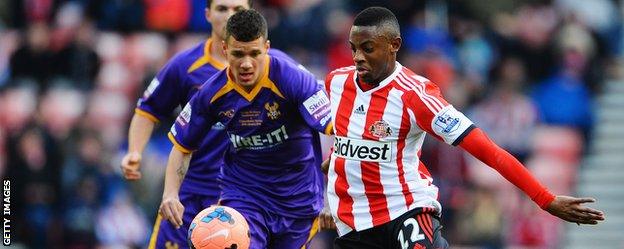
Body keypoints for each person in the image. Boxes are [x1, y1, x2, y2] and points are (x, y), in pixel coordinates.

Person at [323, 7, 605, 249]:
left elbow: (487, 150)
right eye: (353, 48)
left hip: (405, 210)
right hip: (354, 220)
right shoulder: (335, 83)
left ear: (394, 45)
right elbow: (333, 141)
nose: (357, 56)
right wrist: (325, 180)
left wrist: (545, 199)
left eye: (367, 48)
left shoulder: (416, 96)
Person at [119, 1, 299, 248]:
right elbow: (148, 109)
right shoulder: (186, 65)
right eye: (222, 8)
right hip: (190, 192)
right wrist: (134, 151)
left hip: (246, 196)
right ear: (207, 14)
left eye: (238, 9)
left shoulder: (278, 69)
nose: (229, 15)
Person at [162, 9, 333, 249]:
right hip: (244, 194)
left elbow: (339, 130)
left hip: (298, 199)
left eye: (254, 53)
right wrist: (170, 193)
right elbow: (181, 147)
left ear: (267, 47)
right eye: (238, 54)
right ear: (225, 50)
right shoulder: (211, 94)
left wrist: (335, 192)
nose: (246, 64)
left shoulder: (294, 79)